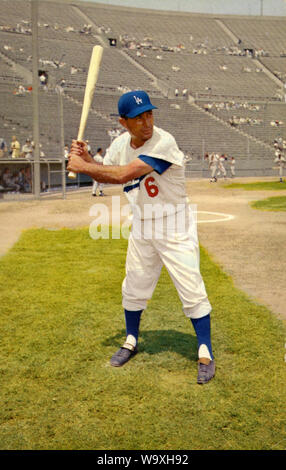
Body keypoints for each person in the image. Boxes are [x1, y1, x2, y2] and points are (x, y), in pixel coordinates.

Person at [68, 90, 215, 384]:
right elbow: (105, 171)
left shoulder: (164, 141)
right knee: (134, 285)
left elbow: (123, 174)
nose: (146, 122)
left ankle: (205, 352)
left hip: (174, 224)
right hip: (143, 225)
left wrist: (82, 166)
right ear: (124, 122)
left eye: (149, 114)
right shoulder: (121, 144)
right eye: (138, 118)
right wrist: (85, 158)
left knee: (191, 287)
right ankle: (131, 340)